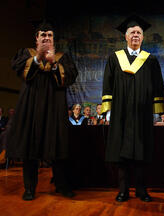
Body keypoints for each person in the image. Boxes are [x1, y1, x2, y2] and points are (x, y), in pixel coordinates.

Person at [6, 21, 78, 200]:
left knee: (58, 147)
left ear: (54, 39)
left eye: (50, 35)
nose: (46, 38)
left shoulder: (63, 57)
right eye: (43, 35)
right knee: (30, 147)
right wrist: (38, 58)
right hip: (31, 106)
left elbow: (69, 77)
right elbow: (21, 72)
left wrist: (54, 64)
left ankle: (61, 185)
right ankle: (29, 188)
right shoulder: (27, 54)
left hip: (55, 107)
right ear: (36, 38)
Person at [101, 15, 164, 202]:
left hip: (143, 113)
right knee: (120, 152)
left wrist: (157, 112)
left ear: (143, 37)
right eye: (132, 32)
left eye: (139, 32)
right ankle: (123, 190)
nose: (136, 35)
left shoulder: (151, 60)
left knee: (142, 151)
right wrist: (108, 110)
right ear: (126, 36)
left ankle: (141, 190)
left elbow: (157, 86)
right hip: (120, 113)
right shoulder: (115, 58)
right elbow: (107, 84)